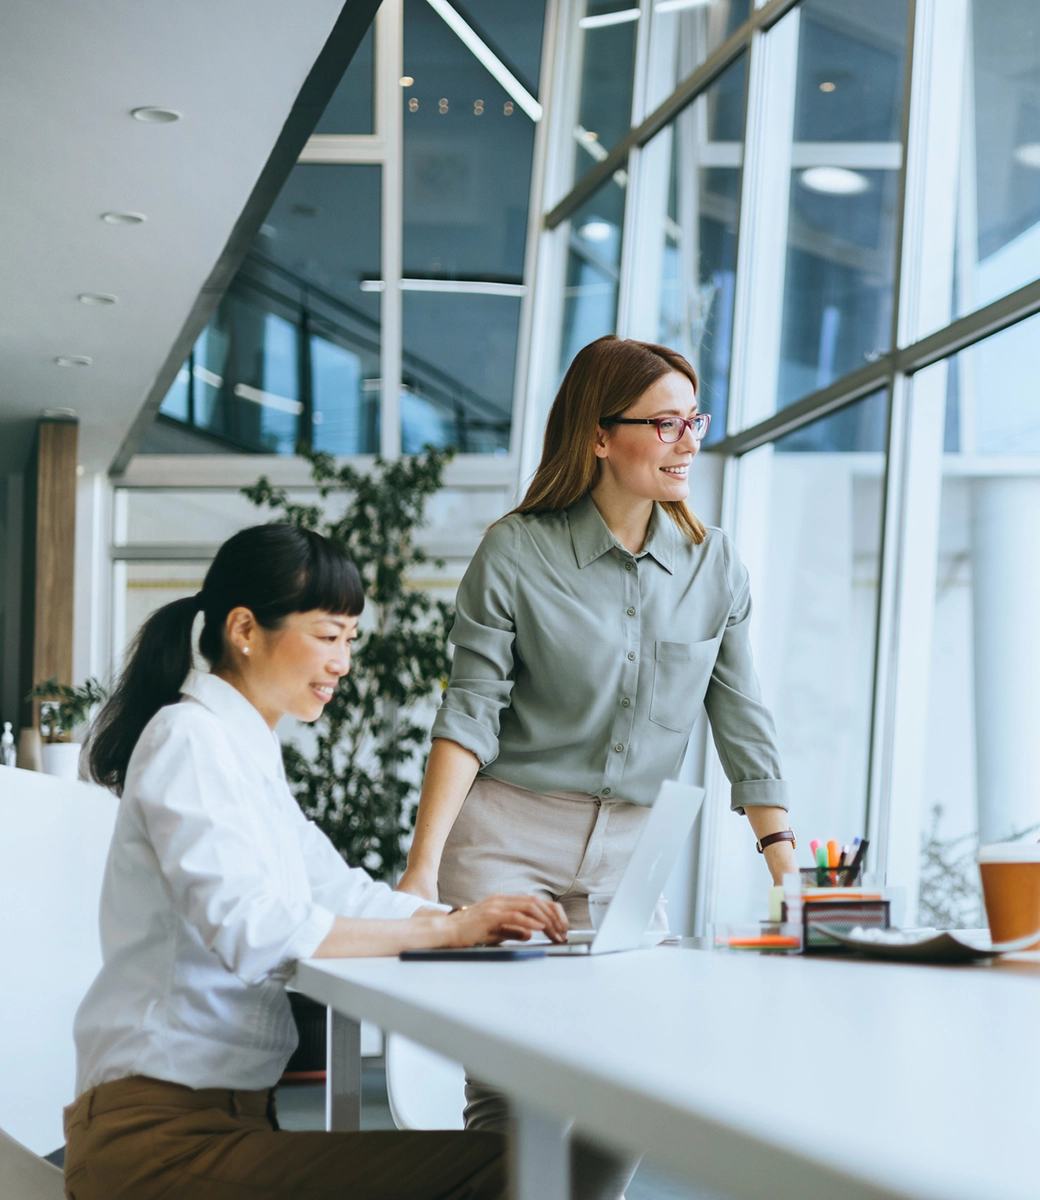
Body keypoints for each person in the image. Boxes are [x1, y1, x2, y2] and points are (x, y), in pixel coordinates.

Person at [397, 335, 797, 1200]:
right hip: (507, 833)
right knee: (509, 1095)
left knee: (634, 1088)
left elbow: (742, 715)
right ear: (600, 436)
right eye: (666, 423)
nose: (690, 441)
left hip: (629, 852)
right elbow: (470, 711)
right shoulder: (516, 552)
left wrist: (786, 865)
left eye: (695, 419)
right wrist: (421, 869)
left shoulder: (714, 564)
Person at [65, 523, 567, 1200]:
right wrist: (444, 931)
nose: (343, 663)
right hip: (156, 1143)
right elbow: (256, 930)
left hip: (224, 1123)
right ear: (244, 629)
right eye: (329, 636)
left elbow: (339, 892)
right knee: (512, 1167)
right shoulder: (188, 739)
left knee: (512, 1161)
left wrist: (468, 918)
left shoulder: (245, 755)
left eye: (350, 641)